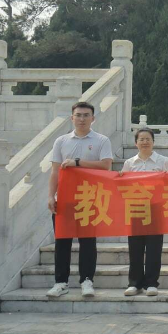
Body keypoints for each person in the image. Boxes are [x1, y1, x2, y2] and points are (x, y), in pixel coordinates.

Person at [46, 102, 114, 298]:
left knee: (87, 242)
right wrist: (51, 195)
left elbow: (106, 166)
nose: (82, 119)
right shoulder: (61, 141)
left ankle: (87, 280)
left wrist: (78, 163)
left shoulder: (102, 140)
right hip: (65, 199)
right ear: (72, 118)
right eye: (78, 115)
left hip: (90, 199)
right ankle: (61, 282)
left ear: (93, 118)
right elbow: (54, 171)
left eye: (86, 115)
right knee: (62, 241)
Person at [119, 127, 168, 297]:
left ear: (153, 142)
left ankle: (151, 283)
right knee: (135, 247)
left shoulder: (162, 161)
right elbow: (122, 187)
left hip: (156, 210)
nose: (144, 142)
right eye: (141, 139)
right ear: (136, 143)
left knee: (154, 248)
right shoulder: (129, 163)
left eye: (147, 139)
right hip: (135, 210)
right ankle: (134, 283)